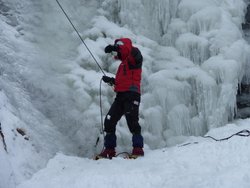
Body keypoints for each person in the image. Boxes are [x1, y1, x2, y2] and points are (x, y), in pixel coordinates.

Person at [96, 38, 144, 159]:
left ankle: (138, 149)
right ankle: (109, 150)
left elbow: (131, 51)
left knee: (132, 121)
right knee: (109, 120)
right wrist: (111, 81)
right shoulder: (122, 65)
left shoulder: (134, 58)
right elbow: (120, 82)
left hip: (132, 95)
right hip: (121, 96)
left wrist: (114, 47)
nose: (117, 52)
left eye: (119, 48)